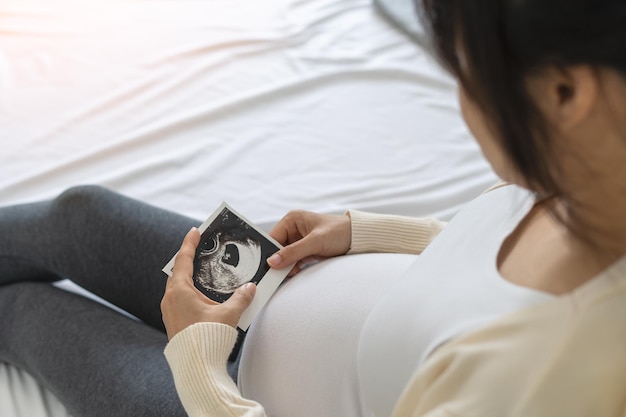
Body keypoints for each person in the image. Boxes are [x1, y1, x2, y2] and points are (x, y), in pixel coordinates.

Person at [0, 1, 624, 417]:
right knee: (81, 213)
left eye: (465, 71)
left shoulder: (541, 379)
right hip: (282, 288)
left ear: (565, 92)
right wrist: (359, 232)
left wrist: (200, 362)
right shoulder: (584, 179)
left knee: (22, 311)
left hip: (226, 396)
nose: (464, 98)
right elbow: (483, 242)